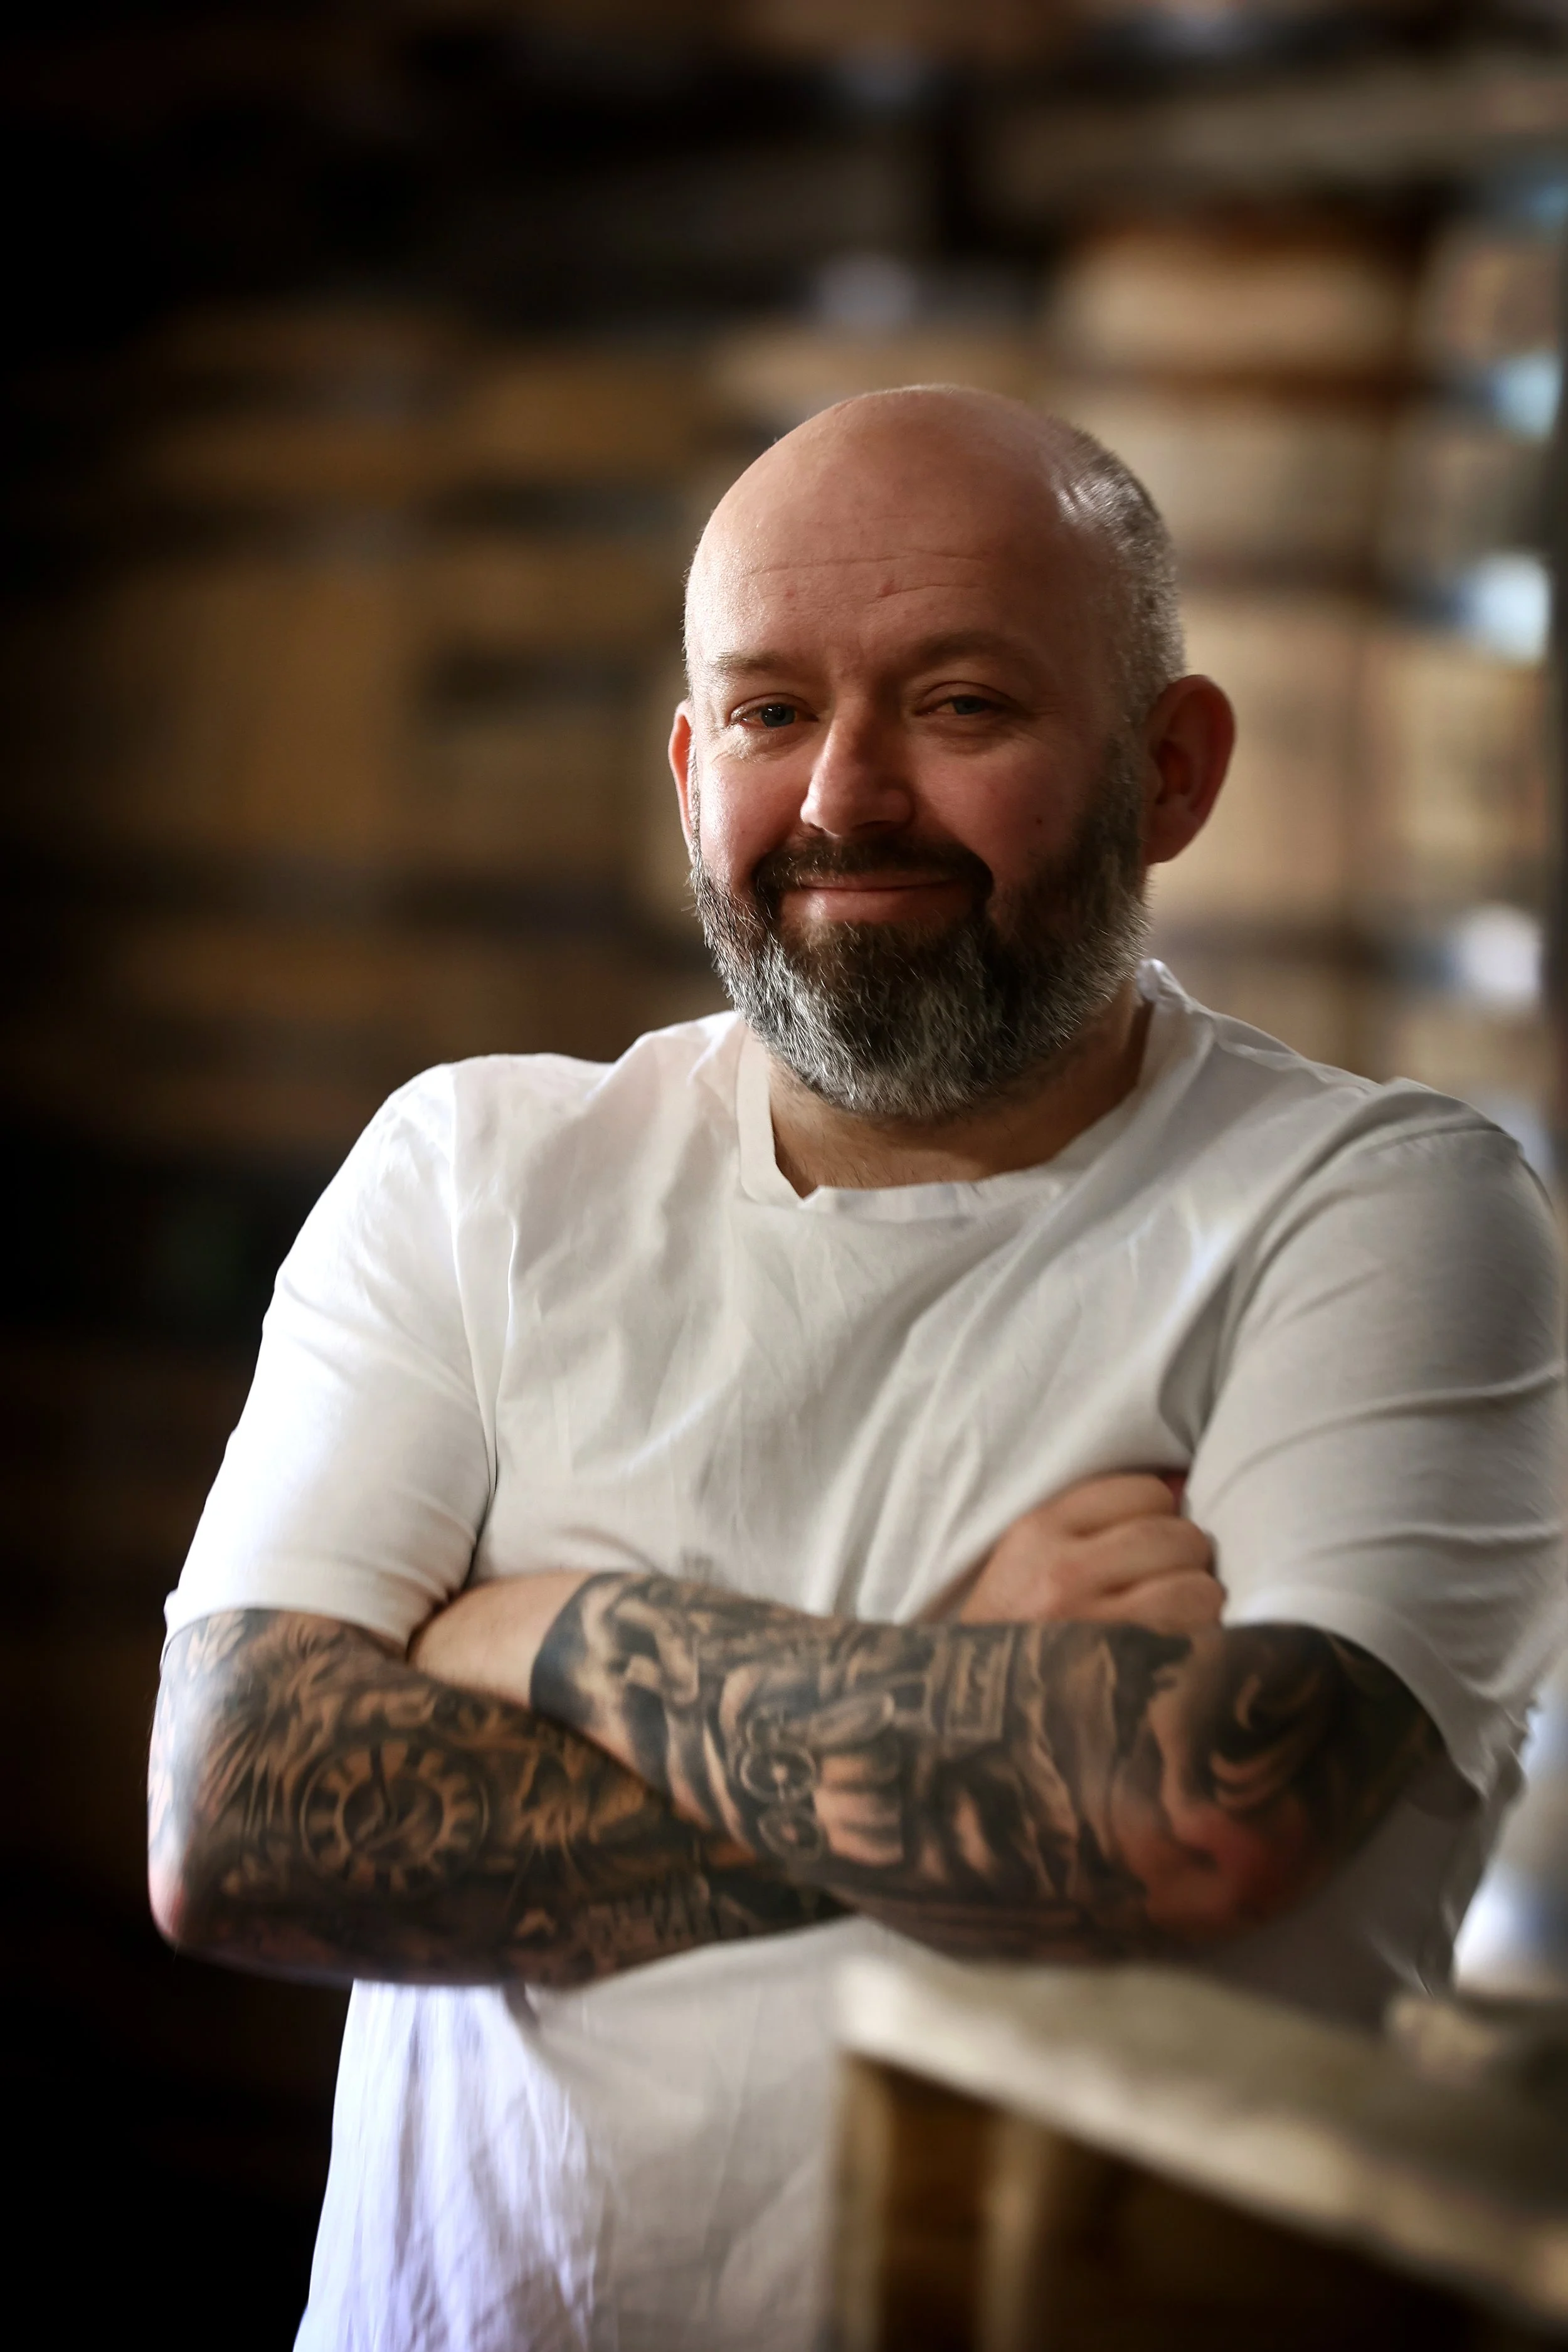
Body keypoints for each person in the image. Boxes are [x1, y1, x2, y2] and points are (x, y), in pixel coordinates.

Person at [149, 388, 1565, 2351]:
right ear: (687, 768)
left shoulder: (1380, 1211)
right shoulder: (477, 1171)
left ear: (1170, 769)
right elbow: (239, 1828)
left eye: (960, 704)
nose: (844, 797)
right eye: (767, 711)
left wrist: (546, 1631)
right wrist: (957, 1687)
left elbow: (1199, 1816)